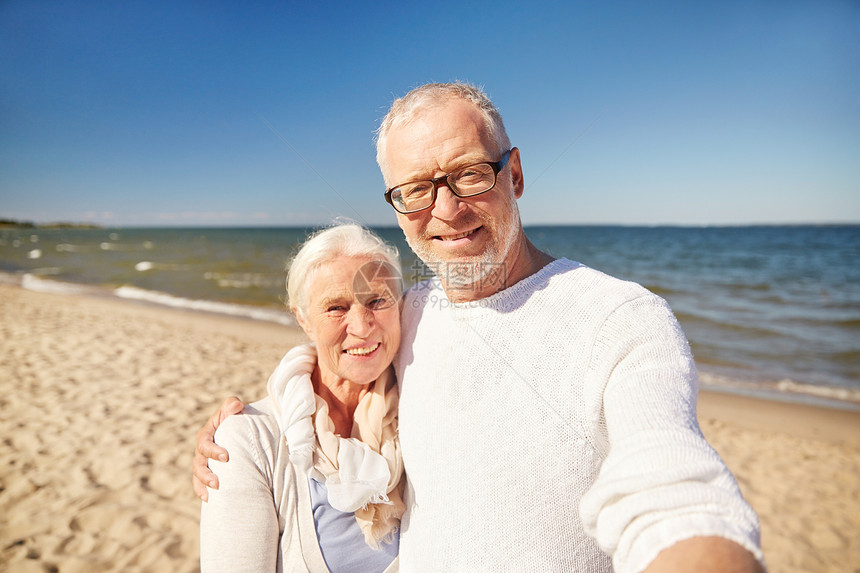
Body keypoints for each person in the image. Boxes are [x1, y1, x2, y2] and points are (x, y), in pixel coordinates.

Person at [194, 83, 766, 572]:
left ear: (513, 173)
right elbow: (337, 353)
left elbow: (668, 485)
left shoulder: (620, 319)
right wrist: (239, 428)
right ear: (396, 205)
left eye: (469, 174)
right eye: (415, 189)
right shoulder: (410, 313)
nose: (445, 210)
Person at [199, 223, 405, 572]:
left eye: (377, 301)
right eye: (336, 308)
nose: (361, 325)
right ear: (303, 318)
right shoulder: (248, 440)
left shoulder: (425, 407)